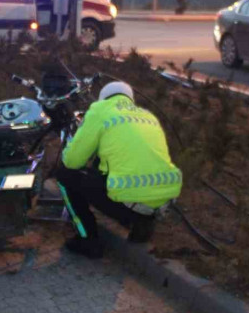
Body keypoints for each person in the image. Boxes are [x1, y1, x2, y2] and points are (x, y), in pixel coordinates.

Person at [56, 81, 183, 259]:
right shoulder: (147, 116)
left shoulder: (99, 110)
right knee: (123, 168)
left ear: (103, 98)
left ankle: (88, 239)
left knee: (64, 175)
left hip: (128, 200)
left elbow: (72, 161)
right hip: (163, 202)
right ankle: (142, 222)